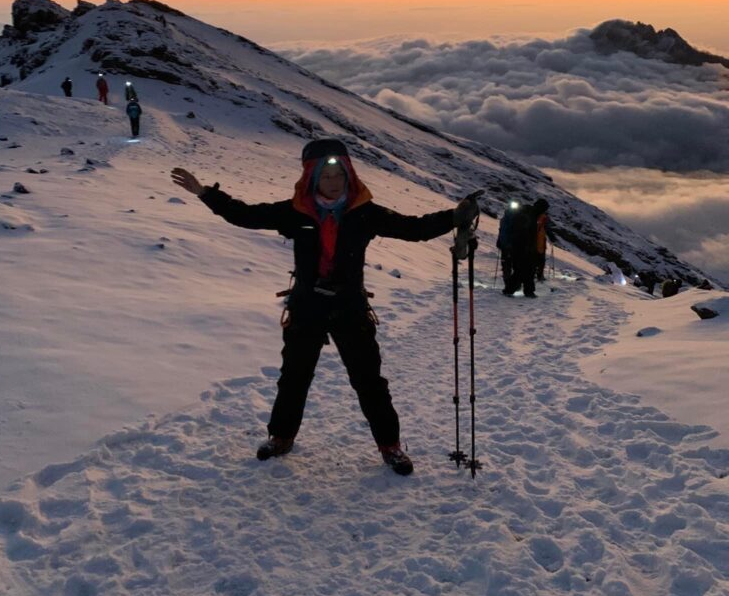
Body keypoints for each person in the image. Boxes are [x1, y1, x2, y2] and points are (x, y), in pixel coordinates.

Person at [171, 138, 478, 476]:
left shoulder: (365, 214)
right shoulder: (294, 212)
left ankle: (390, 445)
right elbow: (245, 215)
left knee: (369, 381)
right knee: (294, 378)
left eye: (339, 176)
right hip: (307, 306)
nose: (333, 183)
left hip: (349, 307)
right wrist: (205, 193)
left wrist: (453, 216)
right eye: (326, 176)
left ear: (349, 176)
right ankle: (281, 437)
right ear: (312, 178)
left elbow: (412, 228)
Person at [500, 201, 539, 298]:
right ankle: (517, 290)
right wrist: (528, 246)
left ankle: (525, 290)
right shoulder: (529, 216)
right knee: (524, 270)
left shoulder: (528, 215)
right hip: (522, 248)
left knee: (524, 270)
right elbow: (525, 233)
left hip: (521, 247)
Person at [533, 198, 556, 282]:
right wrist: (552, 237)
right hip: (540, 241)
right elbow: (548, 229)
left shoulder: (529, 214)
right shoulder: (544, 217)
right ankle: (539, 275)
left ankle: (532, 274)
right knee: (540, 259)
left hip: (529, 241)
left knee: (532, 259)